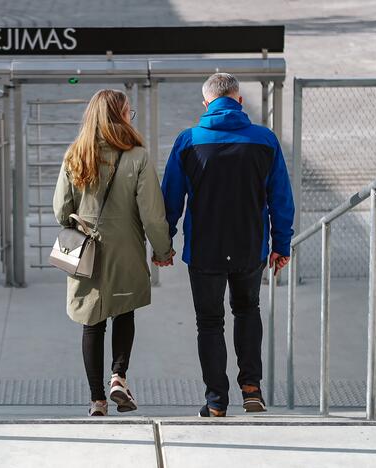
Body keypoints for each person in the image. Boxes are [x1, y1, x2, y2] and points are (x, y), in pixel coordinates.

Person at [159, 73, 294, 417]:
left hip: (205, 250)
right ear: (239, 100)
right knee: (248, 311)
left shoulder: (188, 141)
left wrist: (164, 243)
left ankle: (217, 400)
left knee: (209, 322)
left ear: (205, 103)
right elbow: (280, 198)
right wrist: (281, 243)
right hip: (250, 247)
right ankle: (252, 389)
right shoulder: (265, 140)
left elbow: (170, 199)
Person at [54, 89, 173, 416]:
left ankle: (97, 400)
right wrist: (162, 250)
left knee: (91, 322)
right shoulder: (138, 156)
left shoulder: (75, 156)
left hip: (86, 251)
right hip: (127, 249)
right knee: (125, 311)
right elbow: (152, 213)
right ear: (119, 117)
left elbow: (60, 211)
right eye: (128, 113)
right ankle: (119, 377)